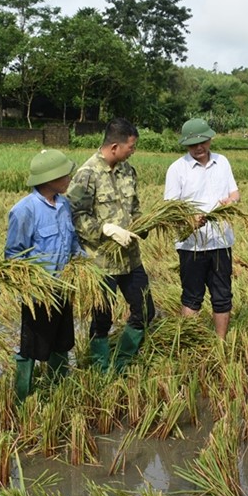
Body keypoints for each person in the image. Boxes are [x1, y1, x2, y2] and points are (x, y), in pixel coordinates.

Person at [66, 117, 155, 373]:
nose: (133, 151)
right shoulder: (87, 175)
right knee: (102, 319)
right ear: (114, 146)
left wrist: (144, 224)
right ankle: (100, 367)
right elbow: (75, 216)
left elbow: (134, 208)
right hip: (100, 262)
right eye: (131, 146)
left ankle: (123, 360)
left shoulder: (129, 171)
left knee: (145, 311)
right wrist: (105, 229)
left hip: (130, 259)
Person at [5, 149, 84, 403]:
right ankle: (23, 395)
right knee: (32, 345)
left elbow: (71, 242)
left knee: (63, 341)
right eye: (65, 174)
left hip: (64, 287)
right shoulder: (24, 211)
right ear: (51, 178)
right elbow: (14, 256)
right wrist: (36, 284)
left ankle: (58, 390)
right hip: (39, 293)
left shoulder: (63, 204)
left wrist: (82, 261)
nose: (70, 177)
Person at [164, 118, 240, 339]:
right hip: (191, 245)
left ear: (210, 139)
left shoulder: (222, 162)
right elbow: (170, 210)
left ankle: (221, 342)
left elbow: (235, 193)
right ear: (186, 145)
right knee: (192, 296)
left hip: (220, 241)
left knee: (222, 295)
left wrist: (232, 202)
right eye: (193, 144)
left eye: (203, 142)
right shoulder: (177, 169)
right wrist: (189, 220)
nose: (199, 148)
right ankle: (191, 341)